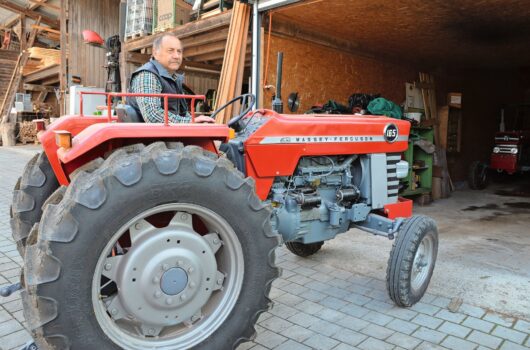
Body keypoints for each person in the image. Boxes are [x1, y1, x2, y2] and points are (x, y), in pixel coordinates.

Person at [127, 33, 214, 123]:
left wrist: (194, 120)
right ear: (155, 53)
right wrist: (189, 122)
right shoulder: (147, 75)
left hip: (167, 133)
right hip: (151, 135)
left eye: (179, 51)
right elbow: (153, 115)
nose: (176, 56)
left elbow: (182, 113)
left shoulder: (173, 79)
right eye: (170, 51)